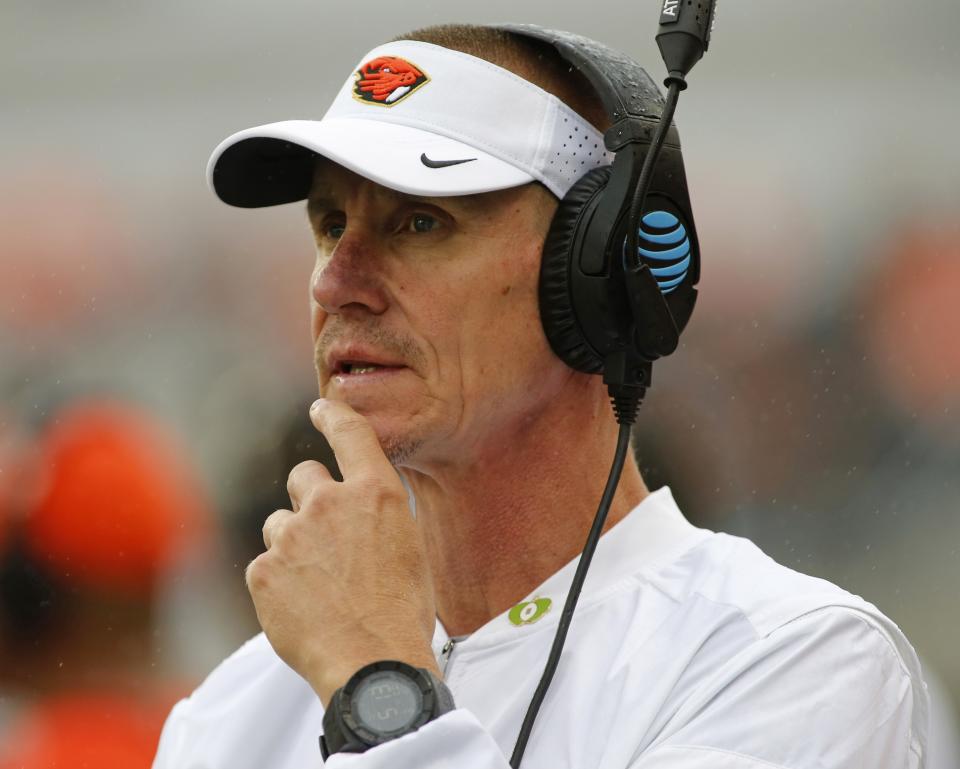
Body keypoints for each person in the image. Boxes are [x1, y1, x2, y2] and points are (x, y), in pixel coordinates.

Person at [154, 23, 929, 768]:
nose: (334, 283)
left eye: (419, 223)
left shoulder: (795, 659)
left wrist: (378, 691)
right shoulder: (236, 706)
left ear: (598, 275)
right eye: (328, 224)